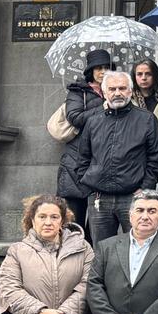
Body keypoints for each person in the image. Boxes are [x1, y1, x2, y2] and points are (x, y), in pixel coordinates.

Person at [73, 70, 158, 242]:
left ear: (130, 91)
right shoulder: (93, 121)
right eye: (112, 89)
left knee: (140, 246)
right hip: (99, 199)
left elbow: (156, 158)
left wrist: (144, 188)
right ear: (104, 92)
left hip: (134, 197)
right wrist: (89, 187)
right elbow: (82, 158)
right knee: (102, 251)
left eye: (122, 88)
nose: (117, 93)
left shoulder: (146, 119)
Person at [56, 49, 109, 232]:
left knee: (97, 228)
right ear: (91, 71)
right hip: (75, 164)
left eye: (107, 67)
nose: (103, 72)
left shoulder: (115, 92)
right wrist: (103, 107)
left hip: (100, 163)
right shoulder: (78, 92)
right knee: (73, 224)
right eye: (98, 68)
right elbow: (75, 118)